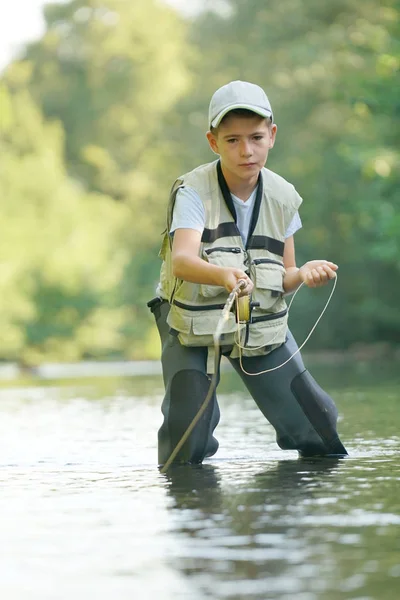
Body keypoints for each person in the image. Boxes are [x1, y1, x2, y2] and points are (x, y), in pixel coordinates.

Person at [148, 80, 347, 466]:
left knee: (318, 428)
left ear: (271, 136)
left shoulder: (284, 196)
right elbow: (182, 262)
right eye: (233, 140)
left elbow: (285, 276)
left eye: (256, 137)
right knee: (185, 440)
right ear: (213, 142)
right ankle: (194, 513)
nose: (246, 150)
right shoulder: (192, 191)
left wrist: (303, 273)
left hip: (261, 326)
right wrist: (225, 277)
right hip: (190, 327)